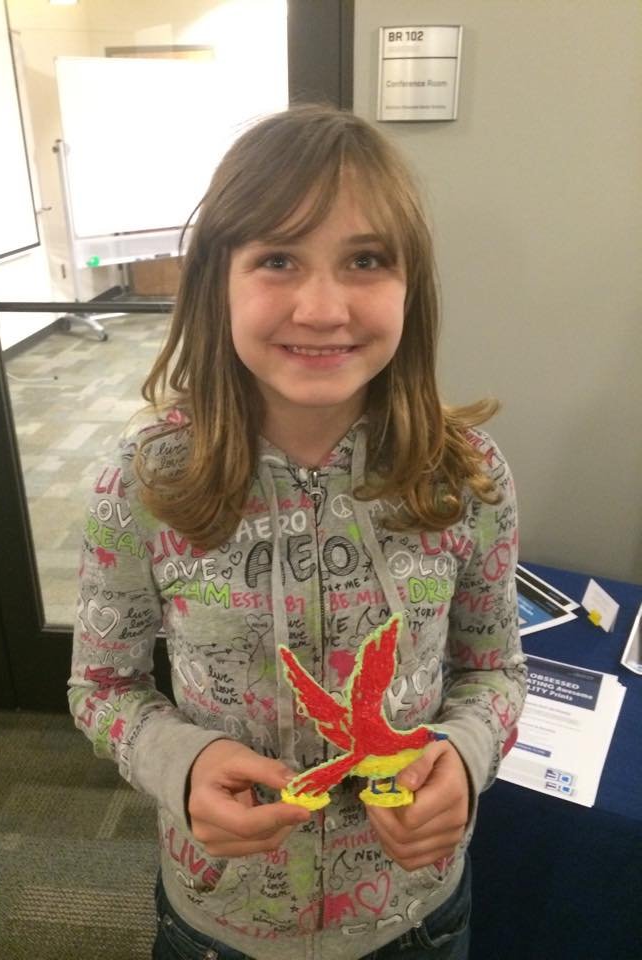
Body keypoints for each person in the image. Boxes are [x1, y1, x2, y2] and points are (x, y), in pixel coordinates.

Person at [69, 103, 526, 960]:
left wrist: (465, 754)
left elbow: (494, 668)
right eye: (278, 259)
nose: (322, 308)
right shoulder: (145, 481)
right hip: (221, 918)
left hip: (416, 915)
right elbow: (101, 685)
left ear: (411, 286)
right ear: (219, 282)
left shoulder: (465, 477)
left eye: (365, 260)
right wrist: (182, 764)